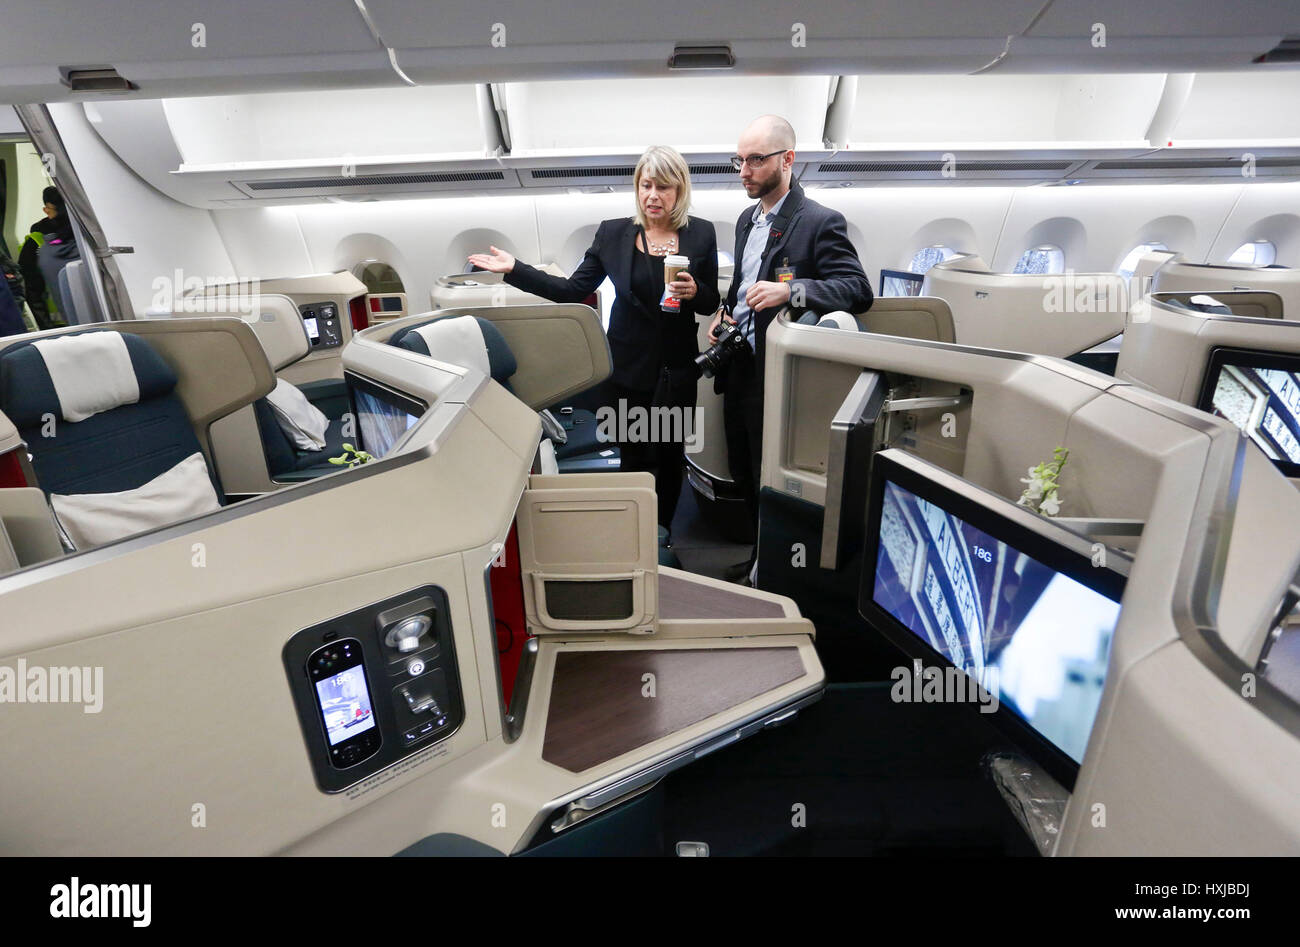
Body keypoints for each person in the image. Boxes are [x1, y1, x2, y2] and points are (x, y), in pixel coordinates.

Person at [469, 145, 720, 535]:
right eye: (646, 185)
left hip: (675, 371)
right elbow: (572, 289)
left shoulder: (701, 233)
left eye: (664, 187)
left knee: (670, 459)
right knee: (633, 456)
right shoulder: (613, 233)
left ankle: (663, 535)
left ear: (680, 191)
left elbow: (711, 300)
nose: (653, 196)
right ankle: (632, 535)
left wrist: (696, 291)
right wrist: (515, 270)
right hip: (626, 368)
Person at [708, 115, 874, 582]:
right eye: (739, 160)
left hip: (777, 376)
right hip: (738, 364)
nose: (745, 170)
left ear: (788, 159)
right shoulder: (747, 219)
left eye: (756, 160)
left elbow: (857, 290)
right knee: (742, 468)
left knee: (768, 477)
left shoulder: (820, 221)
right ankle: (757, 559)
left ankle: (774, 571)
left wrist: (792, 291)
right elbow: (744, 283)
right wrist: (725, 312)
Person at [17, 186, 74, 330]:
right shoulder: (36, 242)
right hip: (60, 326)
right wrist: (47, 329)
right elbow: (32, 292)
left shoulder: (84, 233)